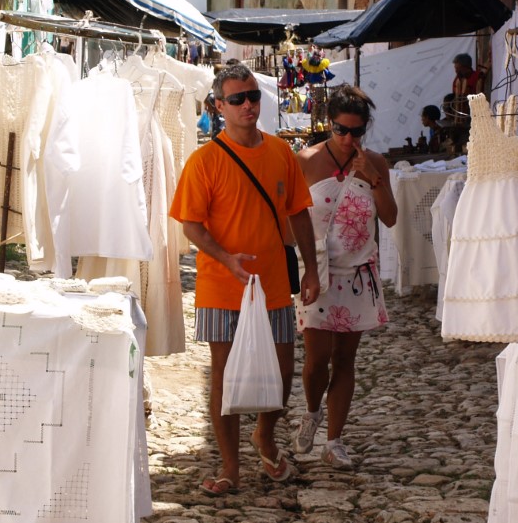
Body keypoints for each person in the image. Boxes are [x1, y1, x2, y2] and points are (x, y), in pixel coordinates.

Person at [169, 63, 321, 496]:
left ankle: (265, 436)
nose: (248, 105)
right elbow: (192, 225)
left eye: (253, 96)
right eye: (237, 99)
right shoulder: (204, 161)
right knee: (225, 376)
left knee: (282, 370)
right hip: (222, 284)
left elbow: (299, 213)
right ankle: (230, 466)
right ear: (219, 106)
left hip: (272, 283)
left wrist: (310, 268)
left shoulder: (279, 153)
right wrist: (225, 257)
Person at [294, 86, 398, 468]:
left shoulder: (376, 163)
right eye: (341, 130)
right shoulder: (305, 160)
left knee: (345, 358)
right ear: (329, 124)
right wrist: (303, 266)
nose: (348, 139)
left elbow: (389, 218)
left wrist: (374, 179)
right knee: (316, 359)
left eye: (356, 131)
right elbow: (290, 218)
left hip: (357, 272)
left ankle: (334, 439)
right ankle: (311, 410)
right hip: (317, 271)